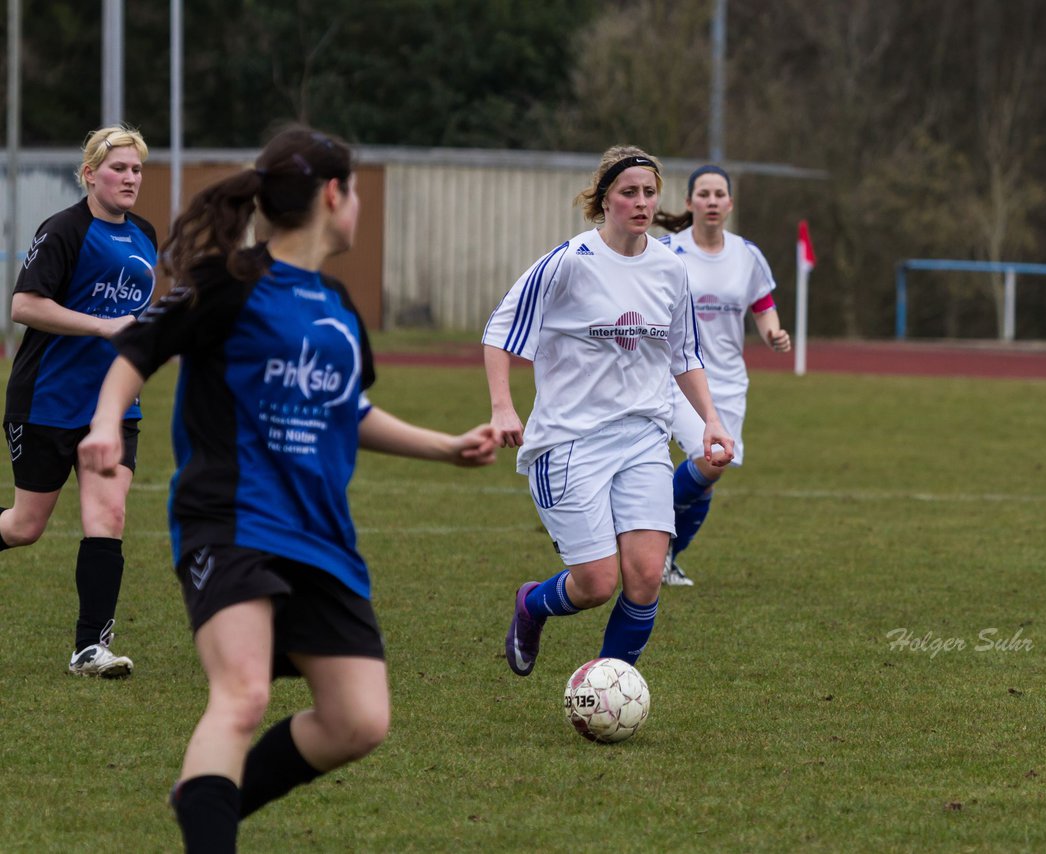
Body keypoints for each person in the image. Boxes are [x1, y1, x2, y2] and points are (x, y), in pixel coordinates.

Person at [78, 125, 498, 853]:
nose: (358, 204)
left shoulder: (337, 305)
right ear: (334, 196)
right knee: (242, 696)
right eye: (356, 190)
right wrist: (107, 423)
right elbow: (137, 348)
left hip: (321, 535)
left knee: (358, 720)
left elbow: (349, 411)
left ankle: (208, 799)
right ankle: (210, 822)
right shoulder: (227, 281)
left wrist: (446, 449)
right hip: (231, 521)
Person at [483, 145, 734, 679]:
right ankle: (532, 604)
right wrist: (502, 407)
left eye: (649, 192)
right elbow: (500, 332)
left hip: (643, 435)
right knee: (596, 583)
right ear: (604, 200)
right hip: (569, 441)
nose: (641, 203)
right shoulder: (569, 263)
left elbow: (683, 353)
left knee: (644, 575)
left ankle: (610, 685)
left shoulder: (671, 268)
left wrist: (711, 418)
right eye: (629, 193)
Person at [1, 125, 157, 677]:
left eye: (137, 169)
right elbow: (23, 305)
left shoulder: (145, 236)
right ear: (90, 174)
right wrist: (102, 327)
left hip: (114, 407)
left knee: (108, 515)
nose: (130, 178)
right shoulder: (64, 229)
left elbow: (137, 321)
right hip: (46, 398)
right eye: (118, 168)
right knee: (25, 526)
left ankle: (90, 648)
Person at [653, 165, 791, 586]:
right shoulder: (666, 252)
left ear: (729, 204)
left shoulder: (746, 254)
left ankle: (666, 557)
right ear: (690, 202)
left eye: (719, 195)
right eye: (704, 194)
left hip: (729, 381)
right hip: (676, 377)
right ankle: (640, 534)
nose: (712, 201)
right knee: (709, 463)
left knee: (707, 481)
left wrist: (773, 333)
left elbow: (763, 305)